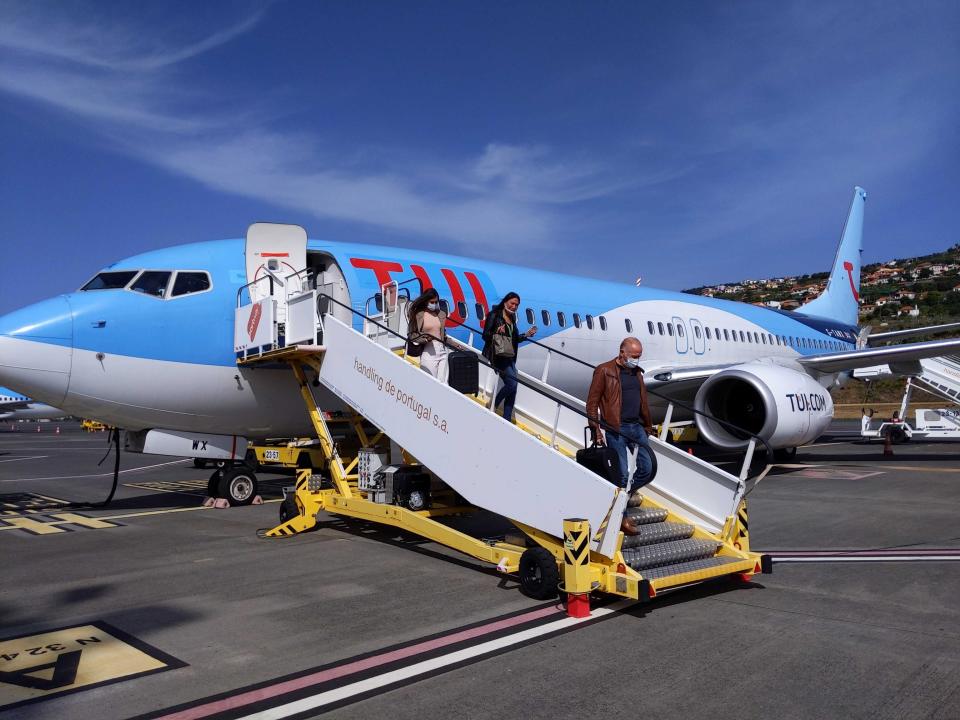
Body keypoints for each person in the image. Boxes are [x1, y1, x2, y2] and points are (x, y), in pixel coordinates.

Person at [587, 337, 655, 500]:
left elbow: (643, 401)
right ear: (622, 352)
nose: (636, 360)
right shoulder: (604, 370)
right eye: (633, 356)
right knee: (622, 474)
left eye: (638, 356)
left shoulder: (637, 372)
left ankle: (626, 494)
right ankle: (621, 513)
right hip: (616, 429)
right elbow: (592, 402)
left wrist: (647, 425)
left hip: (637, 428)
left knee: (648, 468)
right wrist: (595, 430)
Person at [481, 292, 536, 421]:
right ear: (505, 302)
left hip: (509, 356)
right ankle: (493, 404)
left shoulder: (512, 319)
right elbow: (485, 335)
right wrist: (496, 332)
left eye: (517, 305)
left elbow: (514, 339)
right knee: (512, 384)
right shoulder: (494, 315)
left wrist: (526, 335)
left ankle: (507, 418)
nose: (514, 307)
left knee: (514, 389)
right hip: (497, 355)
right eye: (512, 303)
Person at [407, 288, 448, 379]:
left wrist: (455, 344)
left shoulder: (441, 314)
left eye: (436, 302)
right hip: (429, 351)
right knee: (430, 380)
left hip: (442, 351)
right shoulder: (418, 315)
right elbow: (411, 334)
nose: (434, 304)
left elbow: (442, 335)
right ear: (426, 302)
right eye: (432, 302)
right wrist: (425, 339)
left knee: (444, 383)